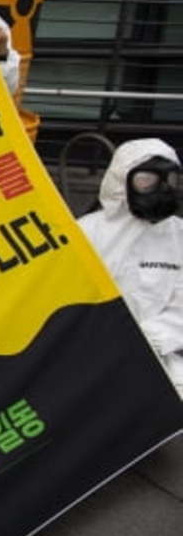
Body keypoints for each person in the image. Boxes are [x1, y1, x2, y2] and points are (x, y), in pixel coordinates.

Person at [78, 138, 183, 395]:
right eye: (146, 180)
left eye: (170, 180)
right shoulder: (86, 232)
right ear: (121, 180)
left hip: (157, 354)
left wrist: (147, 340)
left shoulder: (178, 236)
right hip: (88, 352)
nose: (162, 189)